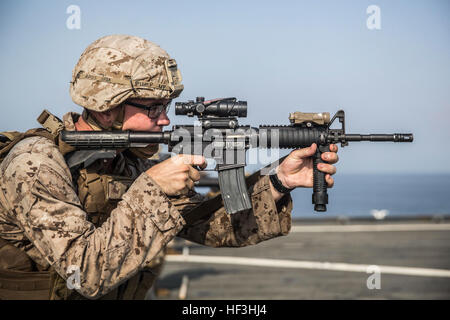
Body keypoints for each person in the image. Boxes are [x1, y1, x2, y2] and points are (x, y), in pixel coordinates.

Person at [0, 34, 338, 300]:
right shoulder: (35, 165)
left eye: (167, 106)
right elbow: (85, 272)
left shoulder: (128, 160)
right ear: (106, 109)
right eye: (152, 108)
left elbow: (207, 227)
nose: (164, 119)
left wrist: (279, 180)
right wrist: (153, 189)